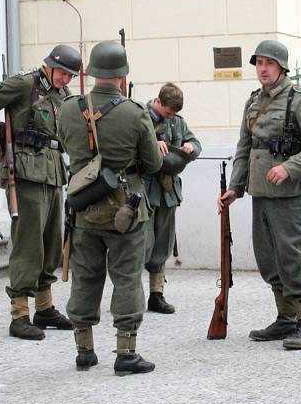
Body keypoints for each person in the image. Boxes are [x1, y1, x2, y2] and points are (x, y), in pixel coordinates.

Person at [218, 40, 301, 350]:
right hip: (261, 193)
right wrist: (235, 189)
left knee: (293, 256)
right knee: (268, 258)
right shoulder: (254, 101)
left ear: (282, 67)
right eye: (259, 63)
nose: (263, 68)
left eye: (269, 63)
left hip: (292, 194)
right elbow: (245, 148)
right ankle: (286, 318)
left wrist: (290, 167)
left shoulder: (300, 100)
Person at [58, 41, 163, 375]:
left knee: (85, 276)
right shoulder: (134, 113)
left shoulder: (69, 109)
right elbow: (154, 162)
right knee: (127, 278)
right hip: (127, 209)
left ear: (89, 72)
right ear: (122, 76)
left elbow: (66, 146)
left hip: (84, 207)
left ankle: (84, 351)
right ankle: (126, 352)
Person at [0, 44, 81, 340]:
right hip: (27, 174)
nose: (66, 80)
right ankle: (19, 313)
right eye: (63, 74)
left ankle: (44, 308)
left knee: (51, 242)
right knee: (28, 243)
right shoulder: (24, 83)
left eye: (71, 76)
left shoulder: (63, 95)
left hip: (53, 173)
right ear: (50, 65)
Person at [143, 83, 201, 314]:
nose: (171, 117)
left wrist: (190, 147)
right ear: (159, 102)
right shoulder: (140, 116)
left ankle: (156, 295)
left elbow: (196, 143)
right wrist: (151, 143)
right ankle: (130, 295)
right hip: (145, 191)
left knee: (162, 244)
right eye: (168, 112)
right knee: (141, 244)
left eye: (174, 113)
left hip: (168, 191)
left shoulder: (178, 122)